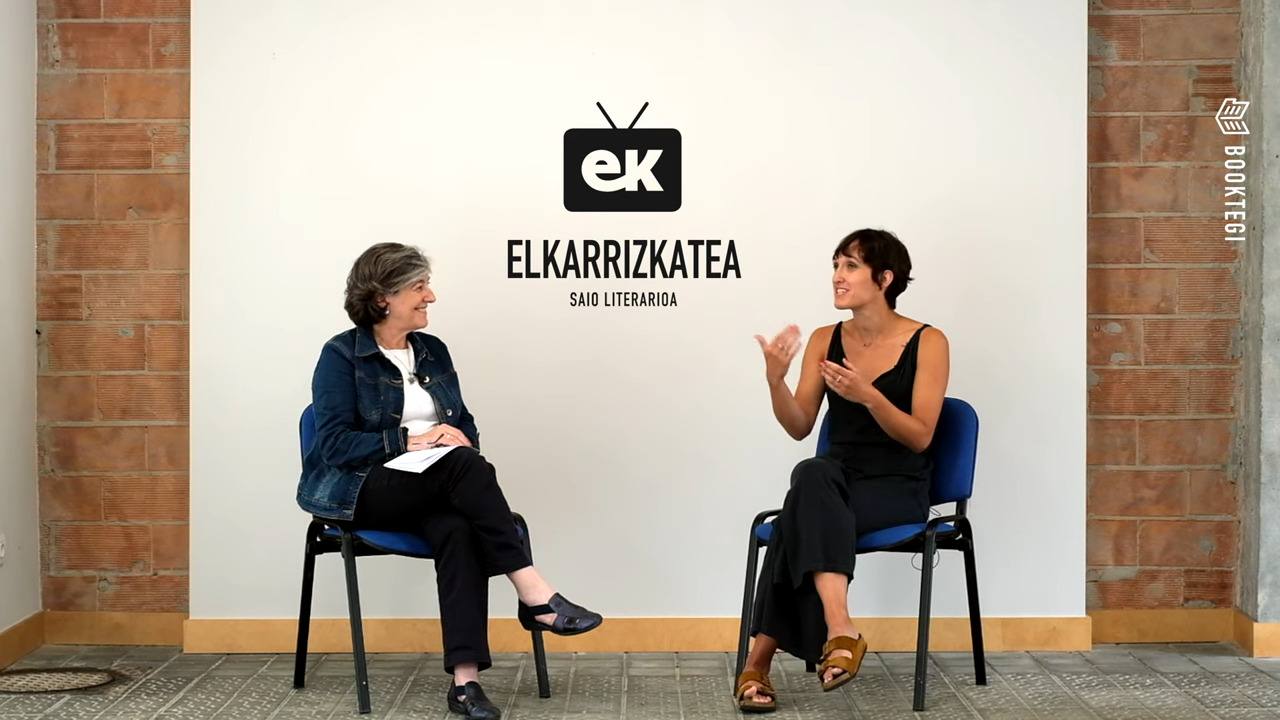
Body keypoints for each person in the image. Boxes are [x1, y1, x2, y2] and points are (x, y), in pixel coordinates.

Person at [297, 242, 603, 720]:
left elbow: (465, 426)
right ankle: (534, 593)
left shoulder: (432, 352)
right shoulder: (341, 355)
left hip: (433, 484)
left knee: (458, 525)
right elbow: (334, 445)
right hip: (363, 488)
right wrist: (409, 440)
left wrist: (452, 438)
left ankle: (465, 683)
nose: (431, 297)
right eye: (419, 287)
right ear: (382, 298)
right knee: (464, 466)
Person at [735, 229, 949, 713]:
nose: (838, 276)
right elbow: (799, 425)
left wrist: (868, 396)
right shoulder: (824, 339)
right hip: (834, 481)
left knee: (797, 521)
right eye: (836, 265)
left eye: (851, 266)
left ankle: (758, 662)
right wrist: (775, 381)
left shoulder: (928, 341)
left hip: (897, 486)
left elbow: (920, 437)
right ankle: (841, 630)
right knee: (811, 474)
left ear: (885, 278)